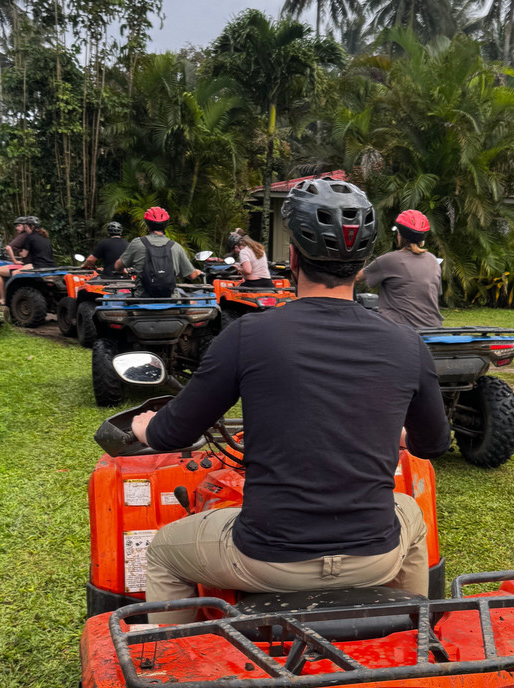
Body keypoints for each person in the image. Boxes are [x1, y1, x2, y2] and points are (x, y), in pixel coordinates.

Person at [129, 178, 451, 624]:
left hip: (267, 558)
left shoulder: (248, 336)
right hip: (374, 554)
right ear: (362, 266)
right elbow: (432, 445)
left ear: (293, 257)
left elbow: (174, 432)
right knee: (411, 514)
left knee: (164, 551)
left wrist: (144, 426)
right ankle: (409, 641)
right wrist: (393, 430)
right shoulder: (407, 344)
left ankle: (176, 675)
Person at [357, 210, 443, 328]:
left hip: (400, 330)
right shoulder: (432, 260)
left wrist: (360, 254)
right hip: (434, 329)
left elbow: (355, 278)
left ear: (400, 235)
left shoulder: (390, 260)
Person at [116, 207, 201, 297]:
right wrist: (198, 272)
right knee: (191, 300)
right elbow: (191, 275)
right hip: (170, 299)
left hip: (142, 298)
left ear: (148, 226)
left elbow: (118, 266)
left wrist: (122, 270)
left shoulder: (137, 243)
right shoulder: (176, 247)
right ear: (165, 226)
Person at [0, 215, 31, 305]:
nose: (16, 228)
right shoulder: (33, 235)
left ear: (25, 226)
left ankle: (2, 299)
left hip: (25, 265)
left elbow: (8, 248)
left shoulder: (23, 235)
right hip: (33, 264)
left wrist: (14, 261)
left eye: (18, 225)